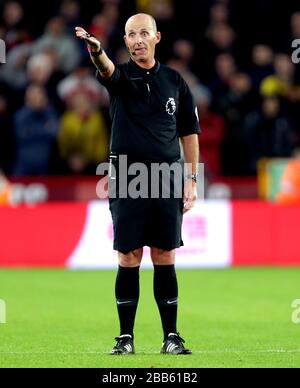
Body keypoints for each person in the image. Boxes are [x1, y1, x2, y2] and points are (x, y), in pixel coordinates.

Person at [75, 13, 200, 355]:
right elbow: (105, 68)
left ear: (157, 37)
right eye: (132, 35)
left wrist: (191, 179)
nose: (138, 39)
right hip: (128, 177)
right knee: (128, 256)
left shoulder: (176, 80)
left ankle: (171, 338)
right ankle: (125, 338)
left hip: (167, 178)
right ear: (127, 41)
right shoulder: (120, 77)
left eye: (144, 33)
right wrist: (96, 50)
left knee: (164, 254)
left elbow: (189, 133)